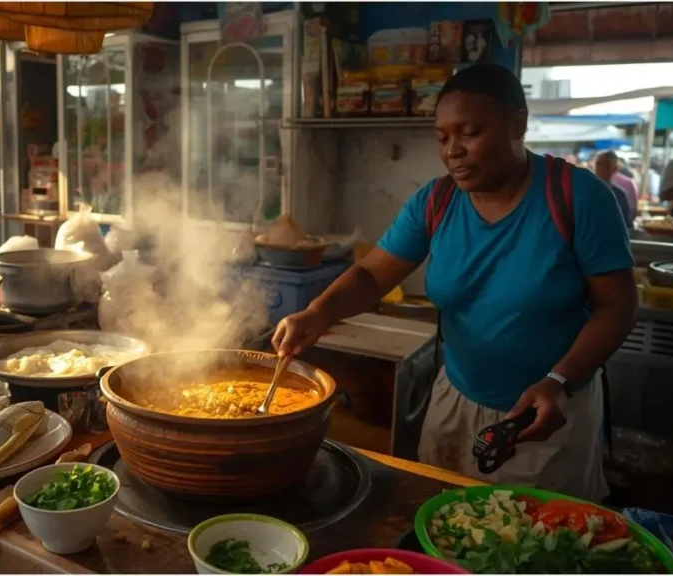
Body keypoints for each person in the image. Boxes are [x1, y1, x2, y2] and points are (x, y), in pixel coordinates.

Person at [272, 64, 637, 502]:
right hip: (454, 402)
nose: (453, 151)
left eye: (470, 132)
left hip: (543, 415)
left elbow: (617, 307)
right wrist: (317, 313)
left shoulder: (578, 197)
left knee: (529, 551)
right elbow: (371, 273)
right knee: (443, 532)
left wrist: (560, 380)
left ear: (517, 123)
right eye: (443, 138)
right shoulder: (437, 200)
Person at [592, 150, 635, 228]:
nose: (601, 169)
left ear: (614, 169)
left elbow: (626, 224)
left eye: (606, 165)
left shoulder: (620, 195)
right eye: (599, 164)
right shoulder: (583, 191)